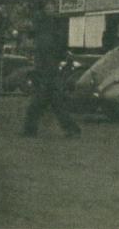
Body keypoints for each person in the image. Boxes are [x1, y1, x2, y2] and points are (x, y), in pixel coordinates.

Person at [21, 8, 81, 138]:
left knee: (36, 106)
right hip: (51, 75)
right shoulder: (52, 36)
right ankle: (72, 129)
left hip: (46, 76)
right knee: (56, 106)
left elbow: (44, 59)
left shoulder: (43, 39)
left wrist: (41, 75)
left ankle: (30, 130)